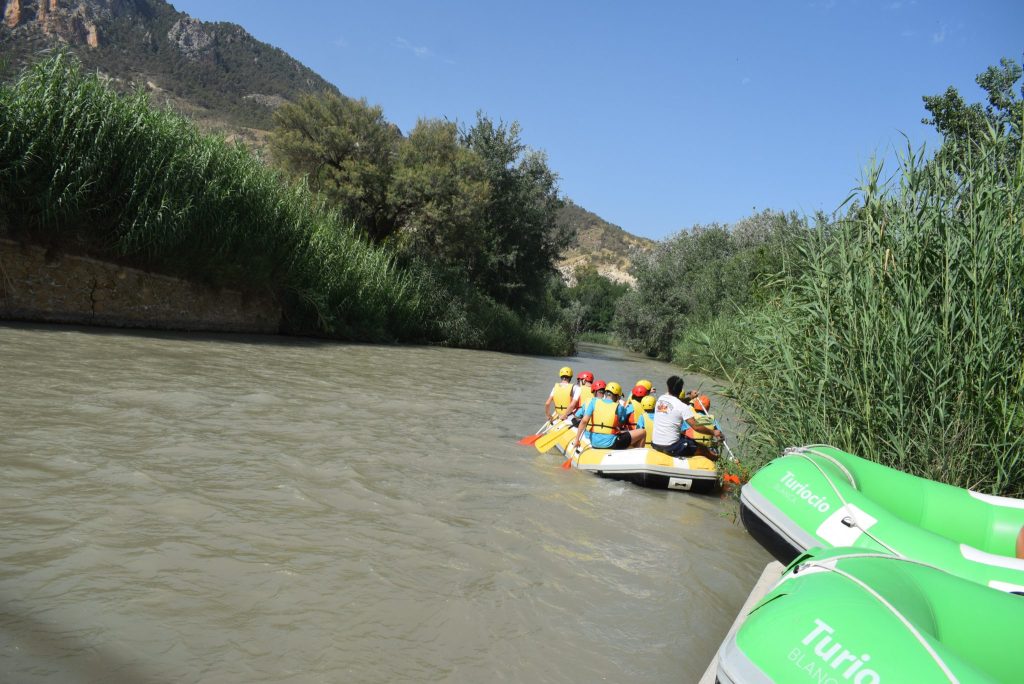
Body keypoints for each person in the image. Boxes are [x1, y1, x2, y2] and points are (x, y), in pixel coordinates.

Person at [650, 375, 721, 459]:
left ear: (668, 387)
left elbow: (676, 401)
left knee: (686, 438)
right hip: (671, 447)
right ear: (681, 390)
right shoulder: (683, 407)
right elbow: (696, 427)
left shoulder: (661, 399)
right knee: (702, 448)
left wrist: (690, 397)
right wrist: (713, 432)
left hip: (655, 443)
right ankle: (716, 459)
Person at [570, 380, 645, 451]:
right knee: (642, 432)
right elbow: (621, 422)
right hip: (611, 443)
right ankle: (640, 453)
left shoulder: (594, 402)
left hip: (594, 442)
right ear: (617, 396)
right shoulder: (618, 407)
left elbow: (584, 421)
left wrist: (577, 440)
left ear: (605, 393)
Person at [684, 394, 720, 459]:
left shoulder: (690, 418)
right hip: (708, 449)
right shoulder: (712, 419)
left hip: (693, 447)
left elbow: (681, 431)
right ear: (708, 407)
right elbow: (719, 436)